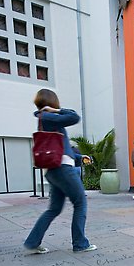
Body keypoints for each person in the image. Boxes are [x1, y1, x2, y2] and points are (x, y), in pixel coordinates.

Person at [24, 88, 97, 253]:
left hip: (54, 170)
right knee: (80, 203)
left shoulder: (45, 120)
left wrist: (79, 158)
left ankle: (32, 242)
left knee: (54, 209)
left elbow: (61, 149)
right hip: (63, 170)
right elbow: (74, 116)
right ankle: (80, 244)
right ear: (51, 101)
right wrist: (57, 110)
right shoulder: (49, 116)